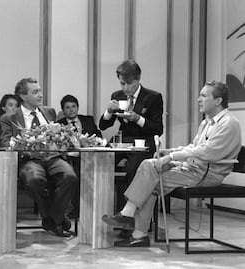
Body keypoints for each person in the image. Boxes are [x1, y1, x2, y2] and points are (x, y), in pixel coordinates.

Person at [102, 80, 242, 247]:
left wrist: (171, 157)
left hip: (208, 173)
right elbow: (195, 147)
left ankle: (133, 224)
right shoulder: (207, 121)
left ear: (218, 100)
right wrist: (169, 152)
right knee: (149, 165)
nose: (198, 99)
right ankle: (133, 224)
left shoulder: (228, 124)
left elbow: (206, 152)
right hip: (193, 167)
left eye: (204, 95)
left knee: (151, 179)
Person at [0, 77, 78, 237]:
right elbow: (6, 141)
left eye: (40, 90)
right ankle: (56, 219)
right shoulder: (10, 117)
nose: (40, 94)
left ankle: (52, 220)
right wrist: (25, 143)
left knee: (70, 176)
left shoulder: (49, 111)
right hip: (29, 159)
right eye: (35, 92)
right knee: (34, 180)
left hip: (52, 157)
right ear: (23, 96)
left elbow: (58, 134)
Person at [99, 60, 164, 211]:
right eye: (122, 84)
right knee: (100, 161)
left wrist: (138, 119)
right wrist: (108, 111)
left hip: (143, 142)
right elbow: (103, 126)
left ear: (138, 79)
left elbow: (158, 129)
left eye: (129, 84)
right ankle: (101, 211)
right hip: (122, 139)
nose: (125, 88)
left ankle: (127, 217)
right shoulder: (117, 95)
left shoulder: (153, 97)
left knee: (133, 170)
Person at [57, 94, 102, 218]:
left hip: (90, 156)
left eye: (73, 106)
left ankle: (96, 207)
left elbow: (98, 135)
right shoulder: (59, 125)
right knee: (76, 171)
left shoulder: (88, 120)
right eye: (67, 107)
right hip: (71, 157)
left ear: (77, 107)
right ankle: (78, 208)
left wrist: (94, 140)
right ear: (63, 110)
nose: (71, 110)